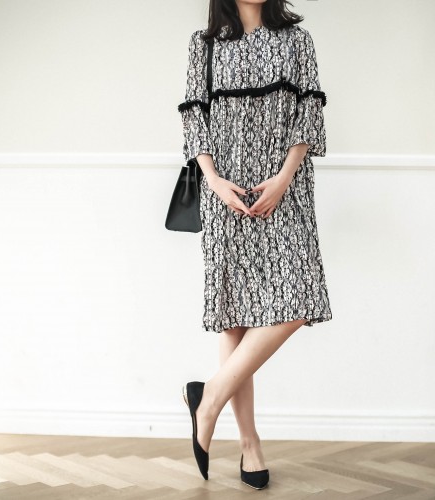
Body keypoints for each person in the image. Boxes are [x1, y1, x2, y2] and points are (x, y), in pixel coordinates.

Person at [178, 0, 333, 489]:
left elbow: (309, 111)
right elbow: (194, 117)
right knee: (236, 314)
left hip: (285, 189)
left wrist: (284, 179)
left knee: (300, 297)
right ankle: (249, 445)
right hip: (226, 190)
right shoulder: (204, 45)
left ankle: (209, 398)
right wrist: (215, 182)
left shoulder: (297, 41)